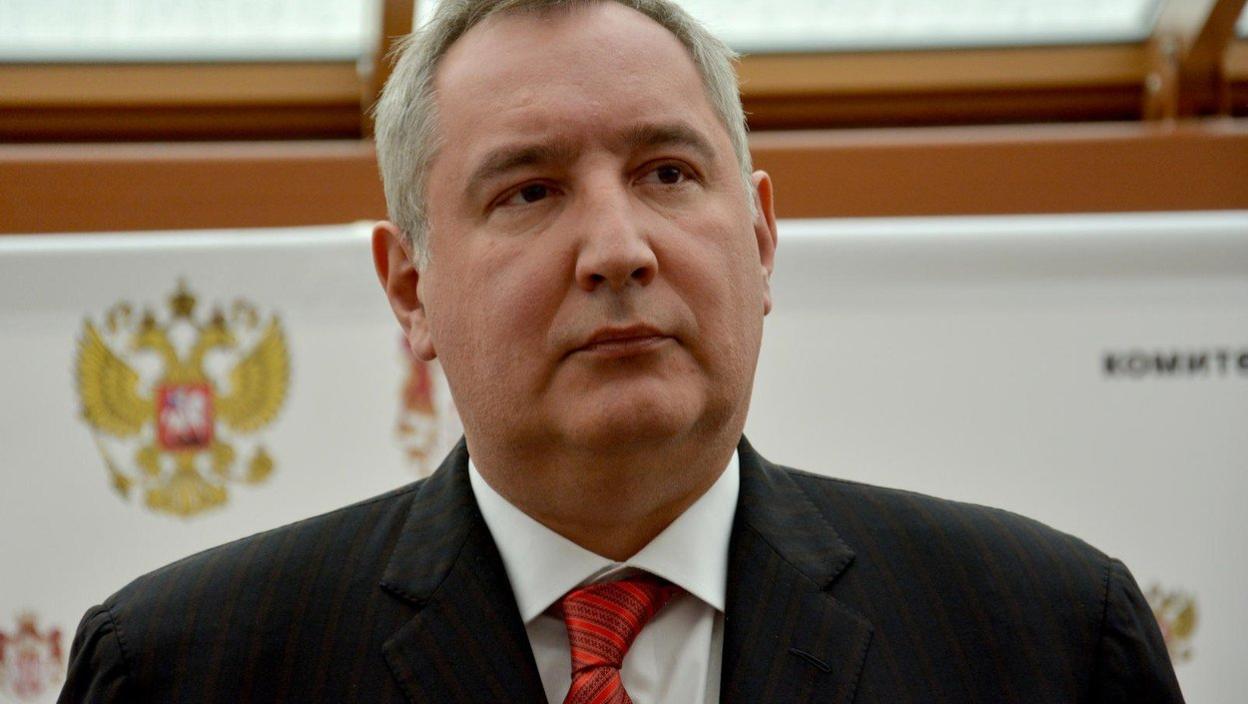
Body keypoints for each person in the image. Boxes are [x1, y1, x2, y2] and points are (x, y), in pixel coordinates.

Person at [59, 1, 1184, 702]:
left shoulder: (1044, 639)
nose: (617, 249)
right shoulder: (183, 668)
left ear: (760, 238)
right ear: (410, 289)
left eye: (668, 174)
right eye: (530, 190)